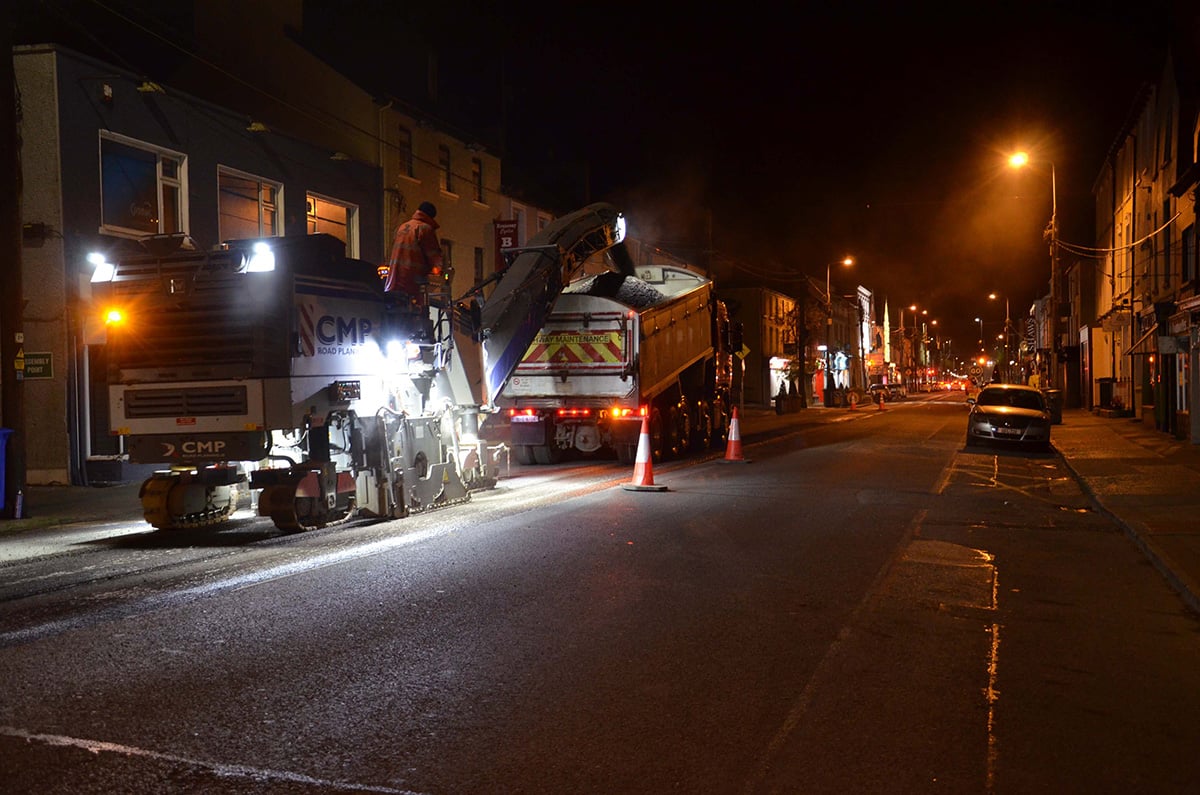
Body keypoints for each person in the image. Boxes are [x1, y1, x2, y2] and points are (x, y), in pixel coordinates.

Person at [384, 201, 444, 307]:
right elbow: (434, 257)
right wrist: (439, 271)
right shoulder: (425, 229)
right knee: (416, 315)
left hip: (393, 283)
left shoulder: (403, 227)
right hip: (412, 284)